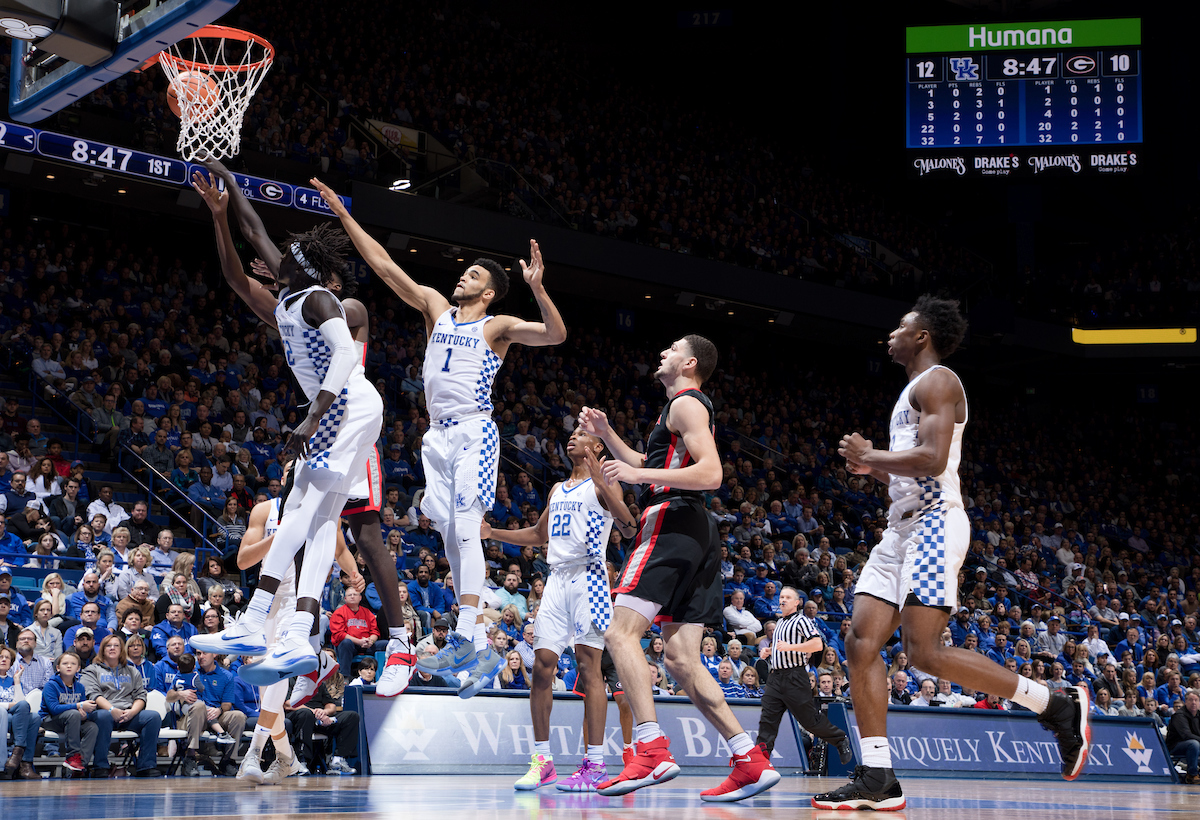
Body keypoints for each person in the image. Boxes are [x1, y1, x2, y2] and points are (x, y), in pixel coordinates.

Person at [814, 297, 1088, 811]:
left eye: (902, 325)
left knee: (925, 652)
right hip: (899, 532)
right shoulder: (910, 391)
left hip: (936, 525)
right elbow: (912, 468)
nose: (891, 332)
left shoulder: (939, 380)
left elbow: (934, 459)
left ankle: (1054, 705)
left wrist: (872, 454)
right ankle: (877, 777)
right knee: (860, 642)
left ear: (923, 335)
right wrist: (872, 469)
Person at [314, 177, 566, 697]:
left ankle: (471, 639)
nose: (461, 276)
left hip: (474, 430)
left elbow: (556, 335)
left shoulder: (496, 326)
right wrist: (344, 215)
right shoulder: (433, 307)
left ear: (488, 292)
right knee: (450, 535)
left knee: (469, 529)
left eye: (472, 274)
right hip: (437, 438)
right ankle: (476, 651)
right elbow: (384, 266)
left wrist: (539, 290)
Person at [195, 164, 413, 698]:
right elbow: (250, 238)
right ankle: (294, 632)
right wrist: (224, 197)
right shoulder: (289, 297)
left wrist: (312, 417)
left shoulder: (323, 300)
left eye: (290, 253)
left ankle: (255, 617)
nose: (279, 252)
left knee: (303, 510)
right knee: (314, 518)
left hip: (350, 407)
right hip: (334, 412)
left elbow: (344, 352)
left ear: (303, 267)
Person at [580, 335, 779, 802]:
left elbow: (711, 475)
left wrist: (640, 477)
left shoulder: (688, 405)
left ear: (689, 363)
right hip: (695, 532)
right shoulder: (677, 409)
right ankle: (748, 758)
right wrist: (609, 436)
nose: (661, 352)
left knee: (620, 633)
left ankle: (649, 749)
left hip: (671, 522)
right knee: (681, 660)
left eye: (671, 348)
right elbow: (646, 462)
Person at [490, 427, 635, 791]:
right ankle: (543, 761)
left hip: (590, 578)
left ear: (597, 446)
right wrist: (491, 532)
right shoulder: (557, 489)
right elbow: (539, 536)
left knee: (589, 669)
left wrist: (604, 485)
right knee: (541, 667)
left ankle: (595, 765)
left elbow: (628, 528)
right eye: (569, 434)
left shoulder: (604, 483)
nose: (571, 437)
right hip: (555, 579)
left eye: (580, 434)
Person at [233, 489, 364, 784]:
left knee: (276, 677)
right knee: (268, 692)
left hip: (301, 601)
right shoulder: (265, 510)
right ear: (284, 478)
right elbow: (242, 560)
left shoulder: (324, 511)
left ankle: (253, 753)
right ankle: (286, 757)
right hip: (267, 600)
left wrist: (354, 572)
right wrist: (277, 539)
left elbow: (340, 550)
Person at [757, 586, 852, 762]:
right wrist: (770, 651)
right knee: (767, 721)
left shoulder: (802, 621)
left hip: (795, 676)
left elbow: (817, 645)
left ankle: (840, 739)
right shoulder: (779, 623)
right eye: (781, 597)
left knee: (810, 721)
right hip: (775, 677)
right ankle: (759, 765)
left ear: (797, 602)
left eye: (787, 597)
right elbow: (783, 648)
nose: (783, 600)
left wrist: (790, 647)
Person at [79, 634, 163, 777]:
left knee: (153, 717)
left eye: (116, 645)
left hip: (128, 714)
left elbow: (141, 695)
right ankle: (101, 765)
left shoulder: (132, 671)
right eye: (108, 645)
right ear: (103, 649)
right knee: (103, 716)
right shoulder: (92, 670)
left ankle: (146, 765)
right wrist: (112, 709)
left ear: (121, 649)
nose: (112, 648)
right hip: (103, 713)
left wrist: (133, 711)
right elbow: (93, 695)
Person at [39, 650, 102, 776]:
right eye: (65, 663)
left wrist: (85, 715)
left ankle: (78, 766)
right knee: (73, 713)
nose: (69, 666)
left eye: (73, 664)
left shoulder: (80, 687)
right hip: (50, 720)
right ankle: (72, 756)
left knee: (92, 727)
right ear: (57, 667)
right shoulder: (51, 685)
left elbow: (86, 709)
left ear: (78, 668)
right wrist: (78, 706)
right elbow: (54, 709)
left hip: (72, 721)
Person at [1, 645, 40, 778]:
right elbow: (16, 705)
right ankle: (22, 759)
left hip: (14, 718)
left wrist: (17, 681)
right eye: (1, 657)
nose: (4, 660)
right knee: (32, 719)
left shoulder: (13, 680)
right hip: (3, 717)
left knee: (34, 717)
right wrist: (9, 705)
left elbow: (22, 705)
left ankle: (24, 762)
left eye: (7, 657)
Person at [1168, 690, 1200, 784]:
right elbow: (1186, 735)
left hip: (1196, 744)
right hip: (1176, 746)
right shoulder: (1179, 715)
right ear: (1185, 702)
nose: (1193, 703)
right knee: (1193, 744)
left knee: (1195, 743)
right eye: (1191, 700)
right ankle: (1192, 774)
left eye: (1196, 700)